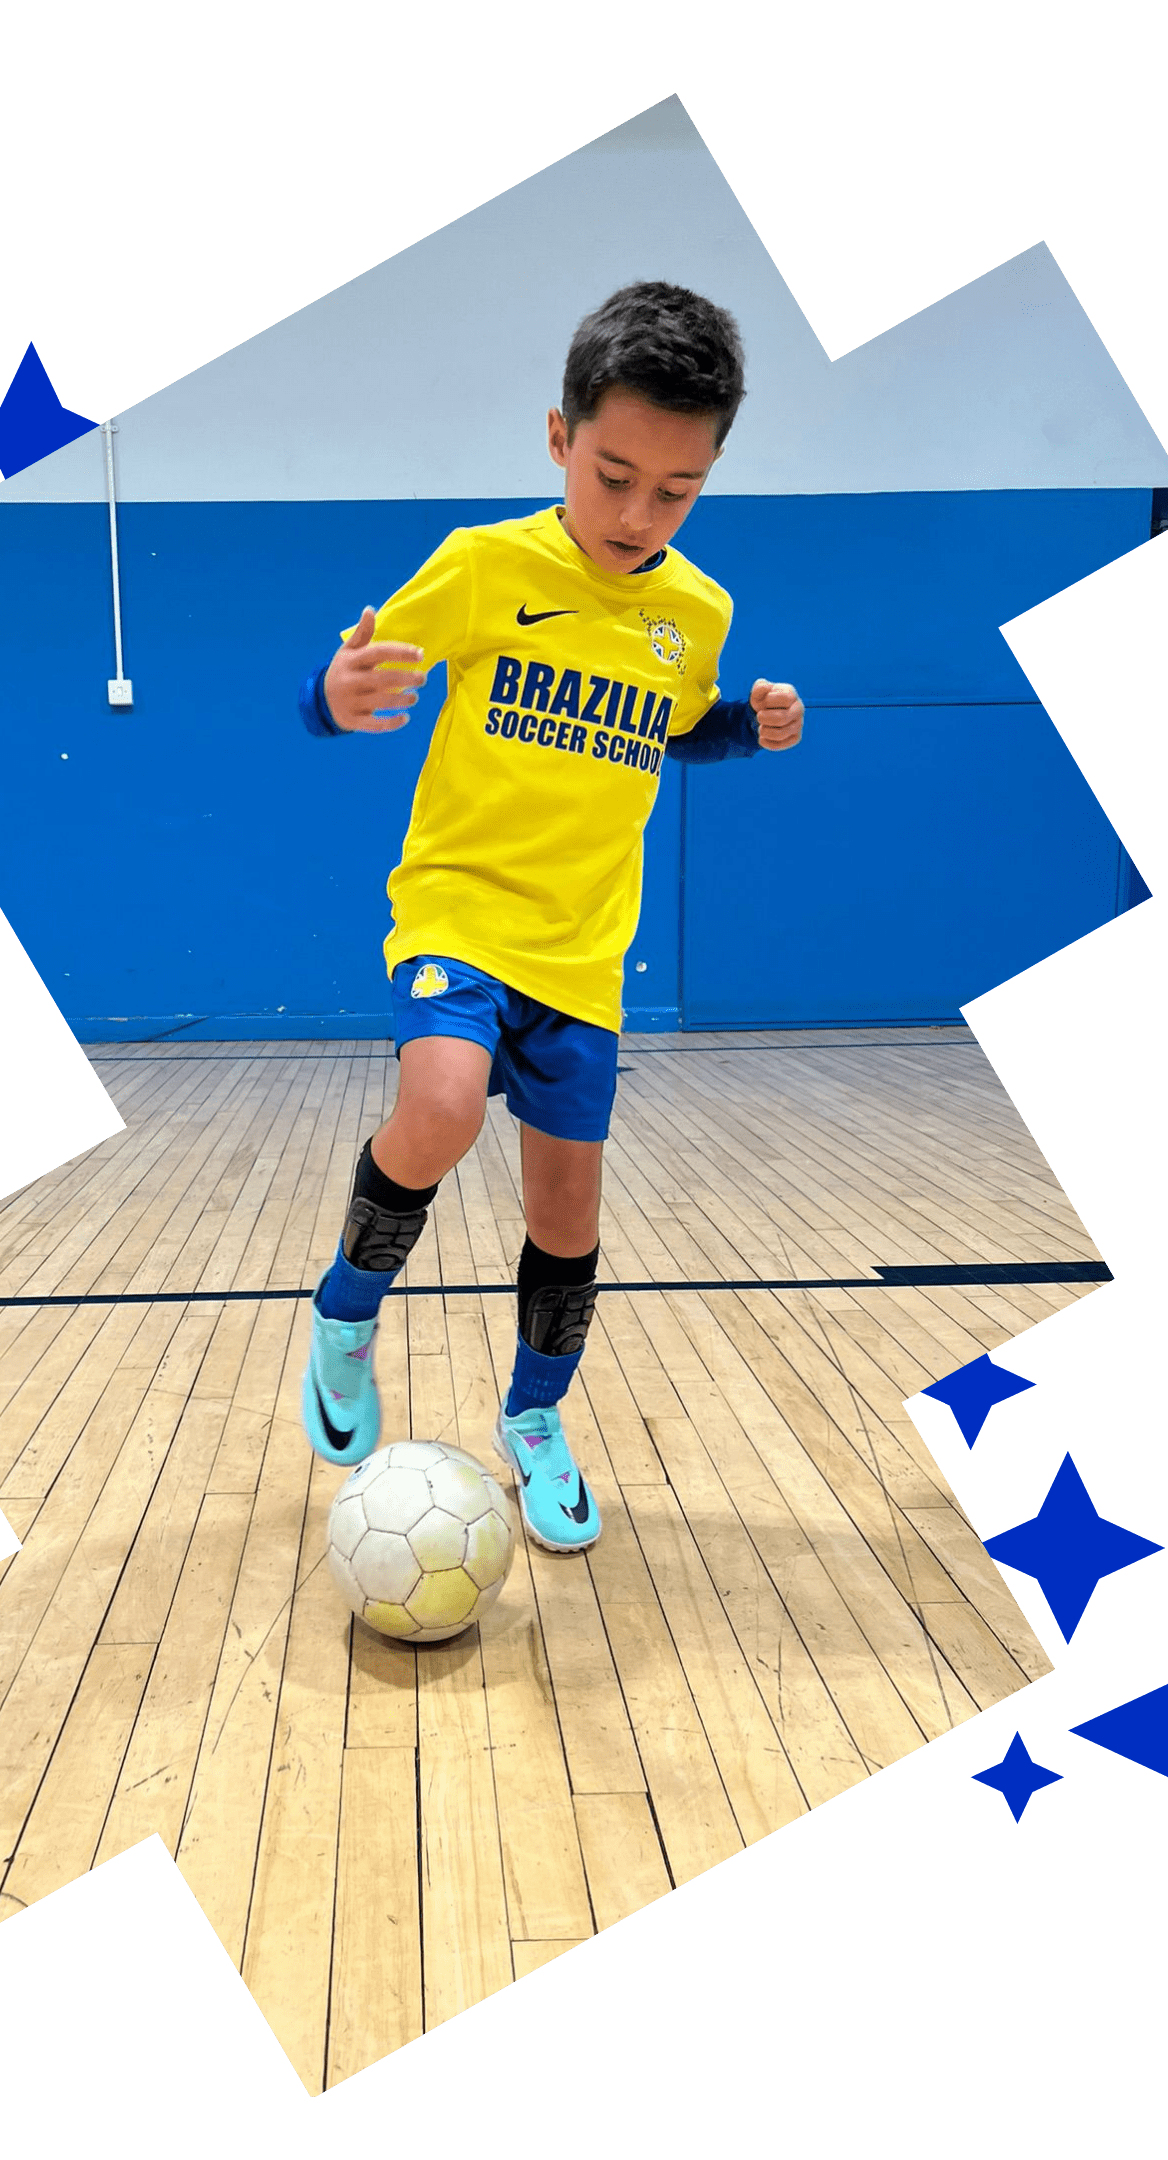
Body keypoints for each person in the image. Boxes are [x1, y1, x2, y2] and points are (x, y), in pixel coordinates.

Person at [295, 280, 804, 1553]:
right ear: (559, 437)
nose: (637, 515)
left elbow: (676, 728)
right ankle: (346, 1311)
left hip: (585, 952)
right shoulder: (483, 566)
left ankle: (533, 1418)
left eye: (676, 491)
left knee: (567, 1216)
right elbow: (350, 680)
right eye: (614, 475)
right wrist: (330, 698)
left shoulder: (696, 613)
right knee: (443, 1105)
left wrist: (746, 728)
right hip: (461, 909)